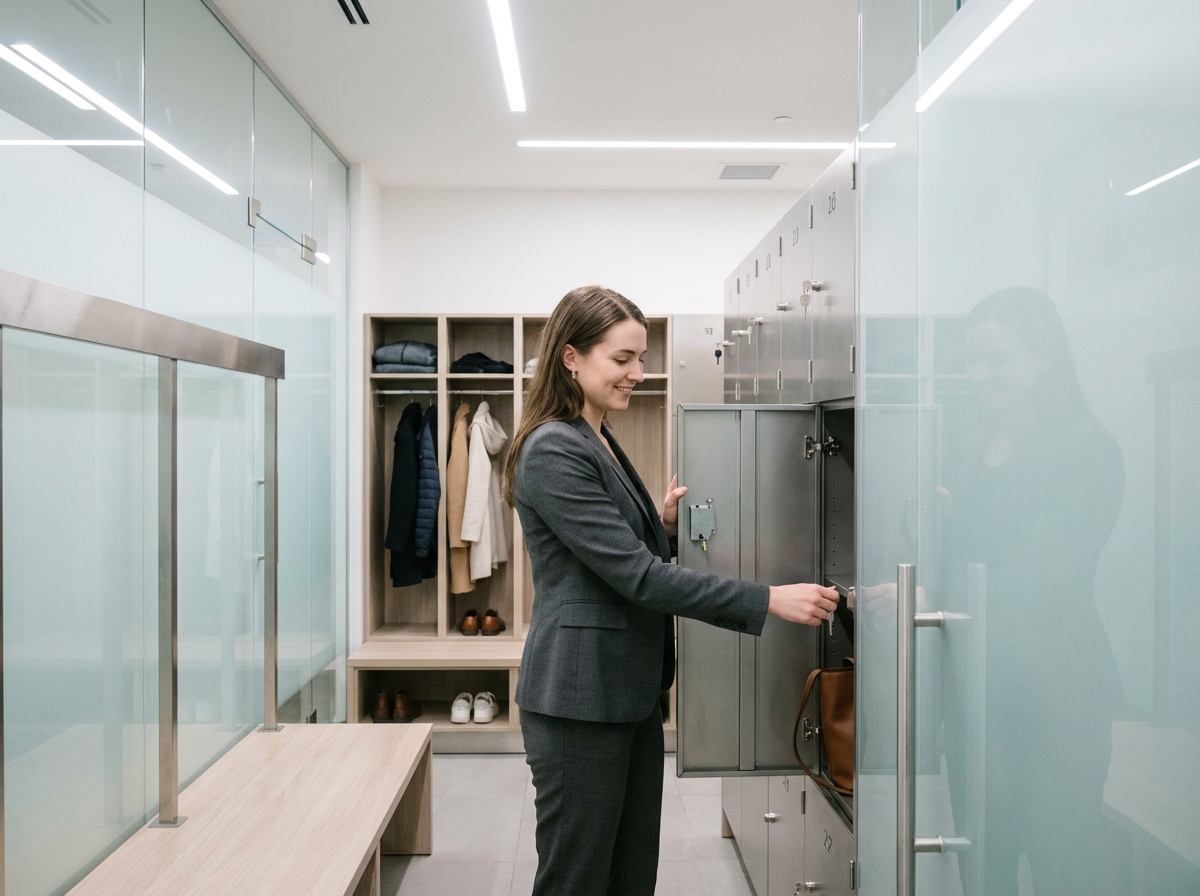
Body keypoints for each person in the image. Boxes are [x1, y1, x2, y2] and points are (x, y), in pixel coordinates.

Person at [504, 285, 839, 896]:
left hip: (626, 692)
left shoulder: (596, 435)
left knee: (632, 874)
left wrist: (654, 525)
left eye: (641, 357)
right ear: (571, 358)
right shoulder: (553, 447)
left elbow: (614, 555)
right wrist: (768, 599)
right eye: (622, 359)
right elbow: (637, 578)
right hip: (580, 700)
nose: (638, 373)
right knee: (577, 879)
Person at [940, 287, 1124, 895]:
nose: (979, 374)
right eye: (971, 360)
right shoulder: (972, 445)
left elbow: (1048, 579)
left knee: (1060, 856)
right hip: (982, 689)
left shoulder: (1085, 450)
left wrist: (937, 602)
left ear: (1044, 357)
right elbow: (958, 551)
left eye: (996, 359)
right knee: (982, 854)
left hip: (1056, 693)